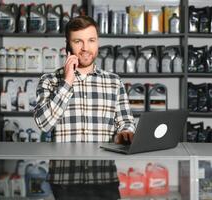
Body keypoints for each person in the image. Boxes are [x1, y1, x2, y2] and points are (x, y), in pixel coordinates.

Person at [33, 15, 135, 200]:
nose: (86, 48)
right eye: (78, 41)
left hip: (104, 177)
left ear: (98, 43)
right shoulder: (49, 81)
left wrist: (126, 132)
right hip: (65, 180)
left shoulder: (114, 81)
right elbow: (43, 124)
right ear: (68, 47)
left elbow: (126, 122)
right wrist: (67, 82)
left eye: (91, 40)